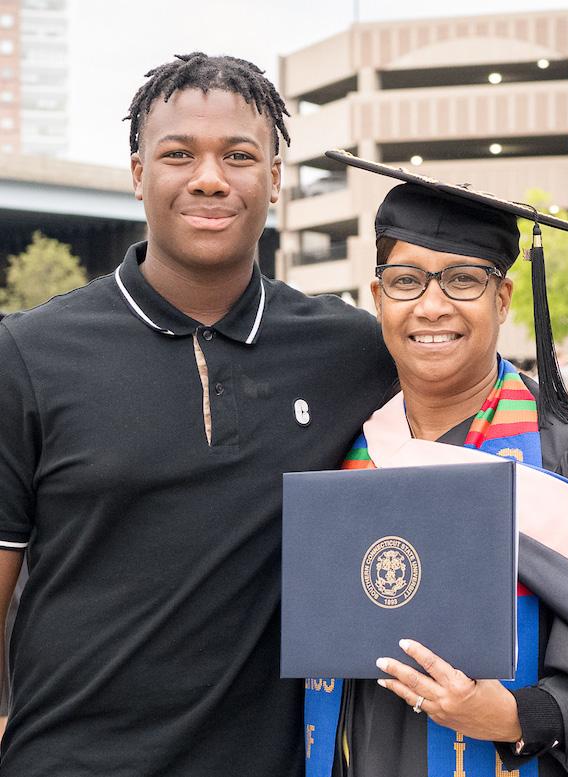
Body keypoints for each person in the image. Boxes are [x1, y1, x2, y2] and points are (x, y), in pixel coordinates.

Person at [0, 55, 396, 776]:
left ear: (274, 178)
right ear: (138, 173)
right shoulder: (27, 354)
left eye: (238, 156)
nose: (209, 178)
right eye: (178, 154)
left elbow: (477, 426)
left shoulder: (353, 353)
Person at [309, 151, 568, 777]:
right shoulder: (340, 446)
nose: (432, 306)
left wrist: (517, 717)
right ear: (378, 298)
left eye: (463, 279)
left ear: (503, 298)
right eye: (406, 281)